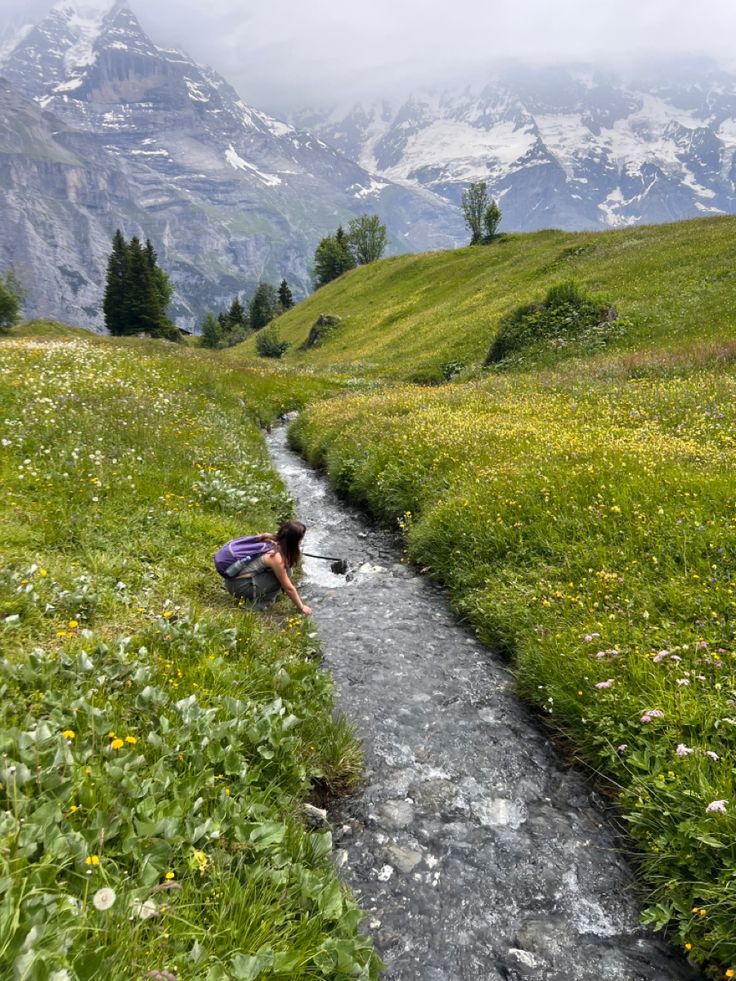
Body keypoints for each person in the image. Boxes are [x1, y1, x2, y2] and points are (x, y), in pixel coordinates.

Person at [216, 521, 313, 615]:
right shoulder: (275, 557)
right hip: (238, 587)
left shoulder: (269, 538)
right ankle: (254, 606)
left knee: (287, 571)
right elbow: (289, 588)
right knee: (282, 578)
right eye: (301, 539)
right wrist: (302, 607)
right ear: (294, 541)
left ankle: (263, 596)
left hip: (231, 579)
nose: (301, 541)